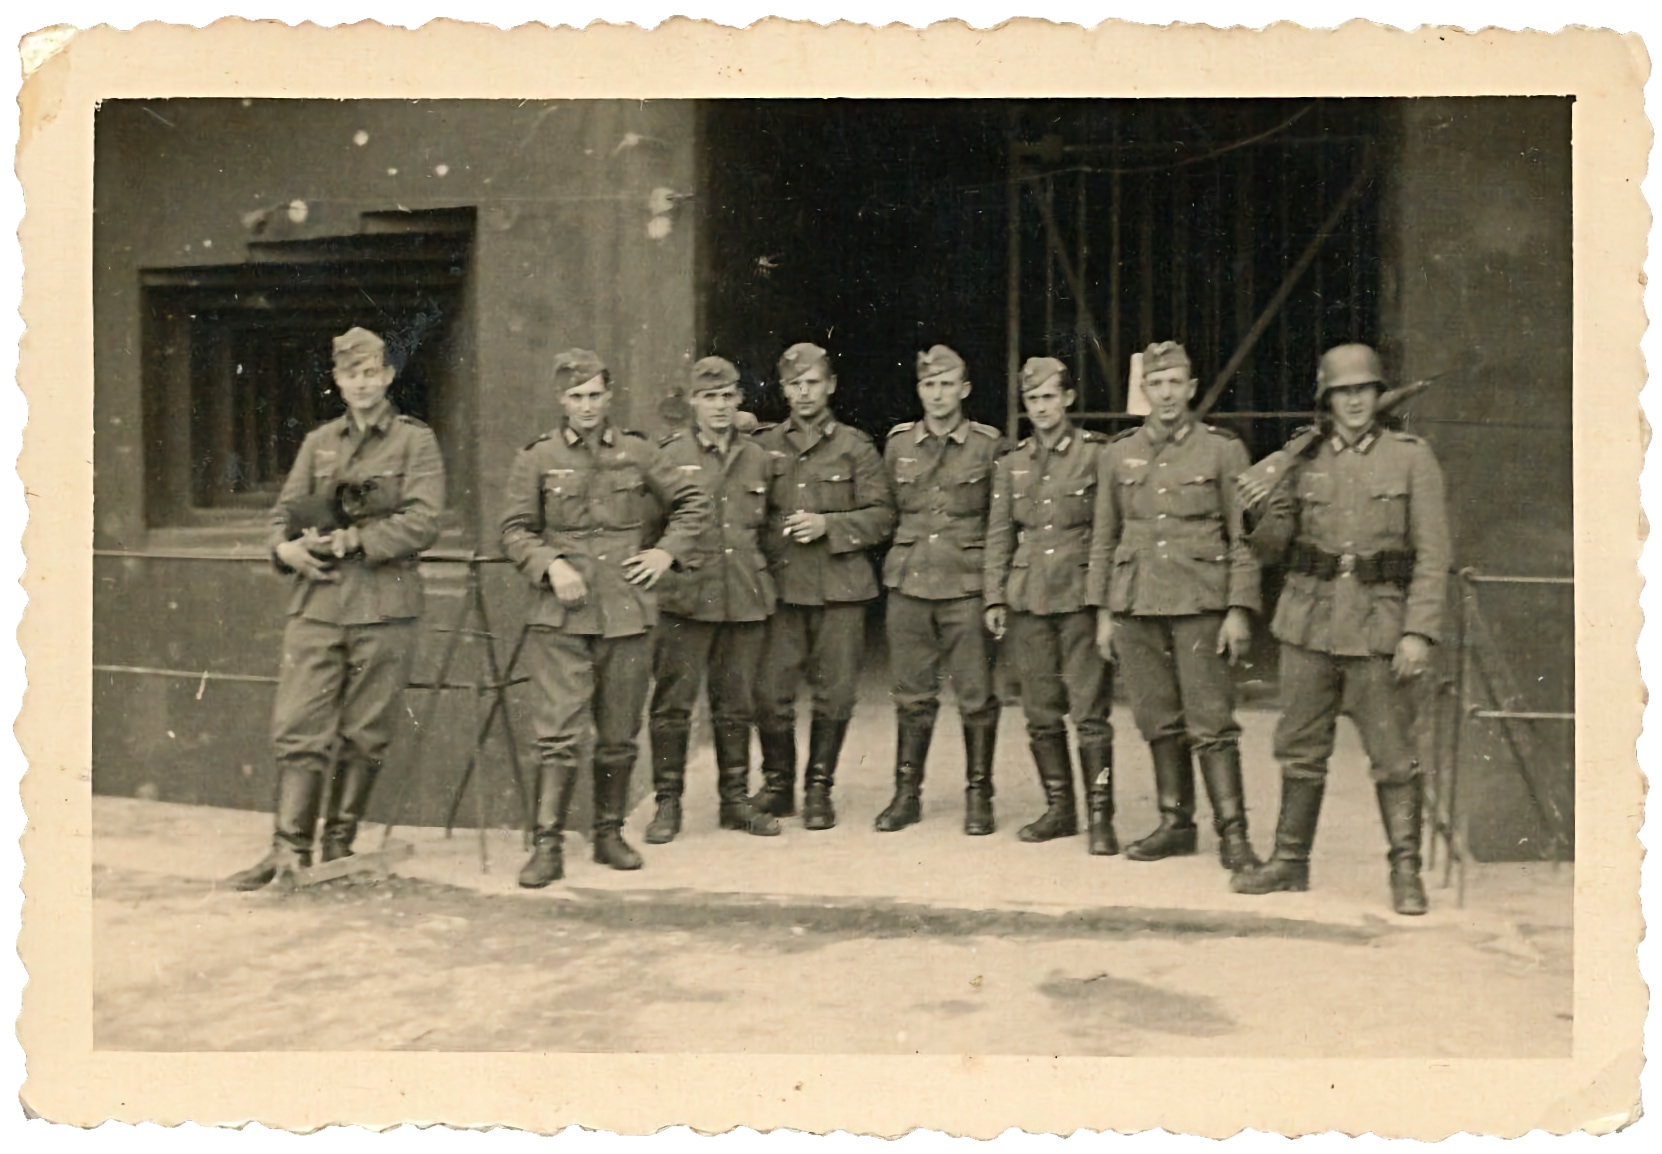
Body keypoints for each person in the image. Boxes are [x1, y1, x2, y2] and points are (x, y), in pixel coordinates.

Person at [1231, 343, 1451, 915]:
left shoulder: (1410, 458)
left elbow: (1432, 555)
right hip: (1308, 625)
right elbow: (1273, 549)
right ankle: (1289, 862)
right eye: (1342, 393)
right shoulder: (1304, 458)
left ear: (1378, 396)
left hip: (1380, 631)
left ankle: (1406, 871)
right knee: (1300, 749)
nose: (1354, 402)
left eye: (1363, 390)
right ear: (1327, 400)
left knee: (1393, 756)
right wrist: (1259, 511)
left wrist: (1419, 632)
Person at [229, 326, 446, 889]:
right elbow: (282, 513)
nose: (363, 383)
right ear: (338, 381)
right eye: (352, 374)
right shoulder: (319, 442)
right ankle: (287, 852)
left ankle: (336, 850)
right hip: (318, 603)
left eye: (372, 372)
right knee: (297, 726)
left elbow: (424, 520)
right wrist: (285, 548)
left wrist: (359, 540)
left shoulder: (414, 442)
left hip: (383, 606)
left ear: (389, 376)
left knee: (366, 732)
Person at [500, 349, 712, 887]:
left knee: (619, 732)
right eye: (576, 397)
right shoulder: (537, 458)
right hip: (562, 616)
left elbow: (692, 502)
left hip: (626, 612)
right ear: (560, 400)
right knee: (558, 734)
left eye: (595, 395)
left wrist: (664, 553)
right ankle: (547, 845)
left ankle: (608, 834)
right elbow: (515, 530)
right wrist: (550, 565)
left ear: (609, 396)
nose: (587, 406)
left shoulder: (639, 453)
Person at [1087, 341, 1262, 872]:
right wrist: (1102, 614)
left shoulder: (1222, 450)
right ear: (1144, 392)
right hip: (1137, 602)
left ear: (1190, 389)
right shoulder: (1118, 454)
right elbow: (1103, 536)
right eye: (1155, 384)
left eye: (1174, 384)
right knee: (1157, 717)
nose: (1165, 394)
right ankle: (1175, 823)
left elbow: (1243, 537)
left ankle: (1234, 834)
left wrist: (1238, 609)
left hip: (1200, 601)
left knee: (1210, 720)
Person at [751, 343, 897, 830]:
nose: (804, 393)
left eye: (813, 382)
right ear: (783, 389)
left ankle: (819, 788)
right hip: (782, 588)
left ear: (830, 385)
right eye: (794, 384)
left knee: (835, 695)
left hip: (841, 591)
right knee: (771, 693)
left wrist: (829, 525)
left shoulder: (857, 447)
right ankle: (778, 786)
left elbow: (882, 517)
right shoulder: (763, 445)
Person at [643, 357, 782, 843]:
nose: (720, 407)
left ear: (739, 400)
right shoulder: (667, 455)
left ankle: (735, 801)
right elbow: (651, 530)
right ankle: (667, 804)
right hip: (685, 598)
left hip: (742, 596)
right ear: (693, 403)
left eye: (728, 397)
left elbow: (768, 529)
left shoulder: (758, 457)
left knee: (736, 705)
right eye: (710, 397)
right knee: (673, 706)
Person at [983, 357, 1116, 852]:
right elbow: (999, 533)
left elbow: (1107, 532)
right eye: (1032, 399)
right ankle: (1060, 809)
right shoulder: (1012, 462)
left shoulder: (1096, 455)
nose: (1040, 407)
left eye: (1048, 396)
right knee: (1040, 710)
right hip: (1027, 599)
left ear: (1068, 399)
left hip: (1078, 596)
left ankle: (1101, 817)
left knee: (1089, 711)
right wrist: (994, 594)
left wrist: (1102, 600)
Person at [874, 346, 1007, 835]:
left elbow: (1001, 525)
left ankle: (979, 796)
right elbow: (885, 510)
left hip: (966, 587)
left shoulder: (990, 447)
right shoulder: (898, 445)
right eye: (929, 385)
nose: (938, 393)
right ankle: (906, 795)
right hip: (908, 584)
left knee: (976, 696)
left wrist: (994, 594)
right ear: (919, 390)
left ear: (965, 390)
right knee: (911, 696)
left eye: (947, 384)